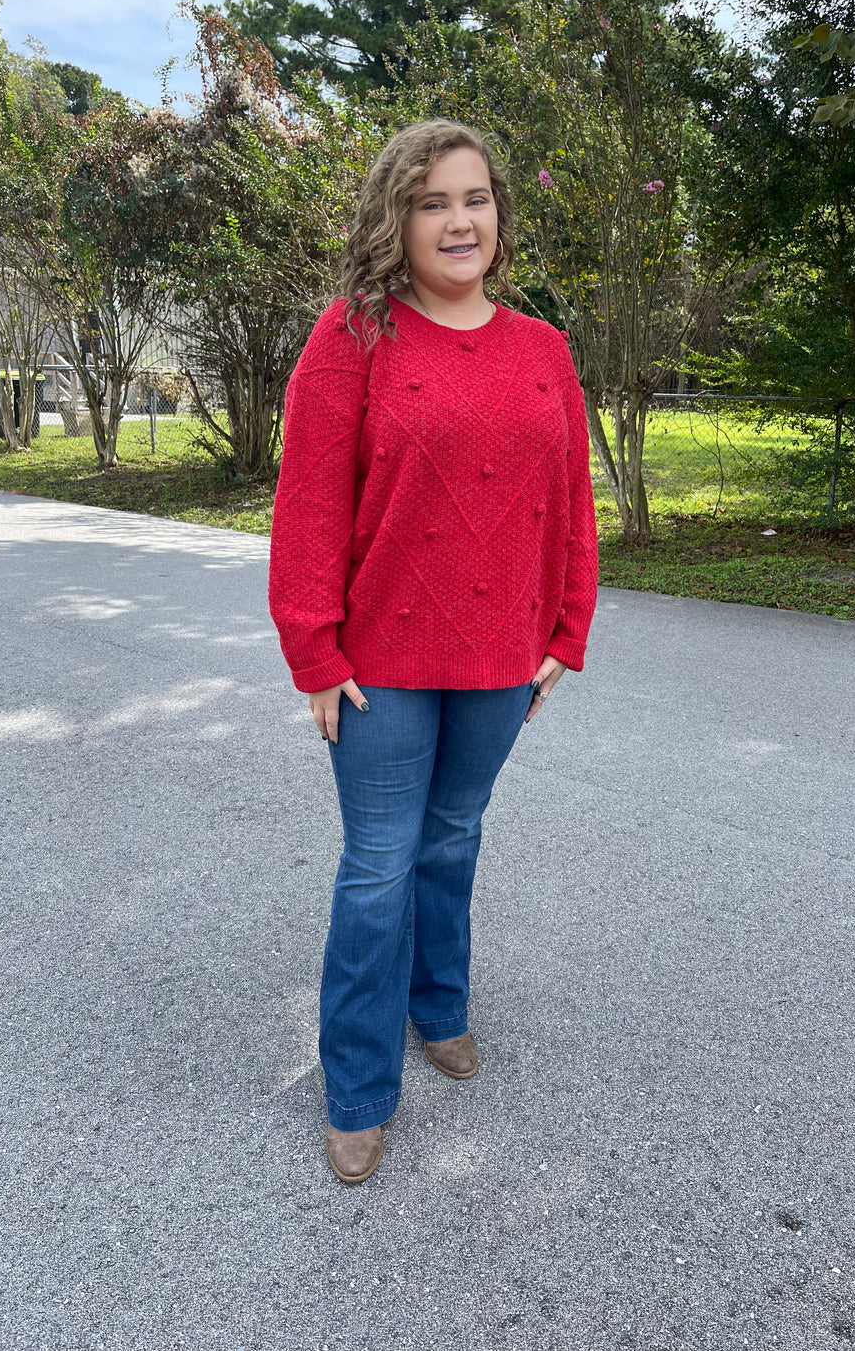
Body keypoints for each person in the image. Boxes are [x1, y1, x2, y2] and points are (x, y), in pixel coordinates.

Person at [268, 119, 599, 1184]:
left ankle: (438, 1005)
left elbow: (569, 507)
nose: (459, 221)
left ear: (498, 215)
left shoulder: (543, 350)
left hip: (505, 656)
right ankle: (359, 1088)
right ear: (396, 220)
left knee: (453, 840)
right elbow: (310, 506)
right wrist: (313, 652)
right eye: (431, 203)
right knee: (377, 870)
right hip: (381, 663)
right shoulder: (353, 338)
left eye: (475, 199)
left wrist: (566, 630)